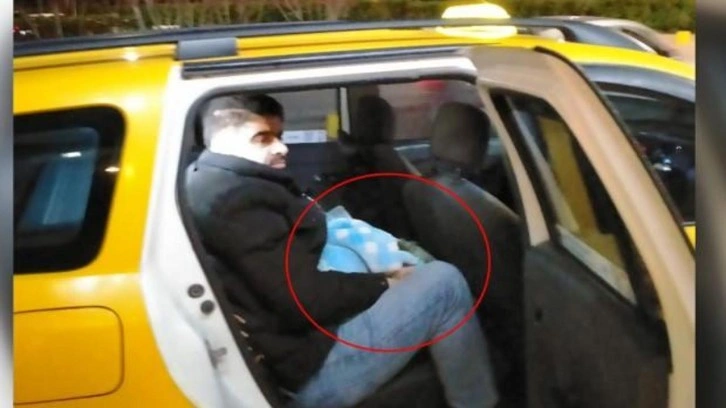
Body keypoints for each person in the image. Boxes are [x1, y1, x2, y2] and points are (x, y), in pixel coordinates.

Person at [185, 93, 500, 408]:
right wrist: (385, 281)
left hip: (293, 347)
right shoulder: (234, 201)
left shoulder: (211, 180)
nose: (282, 147)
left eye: (279, 136)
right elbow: (304, 299)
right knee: (445, 283)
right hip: (309, 370)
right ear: (224, 137)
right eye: (262, 138)